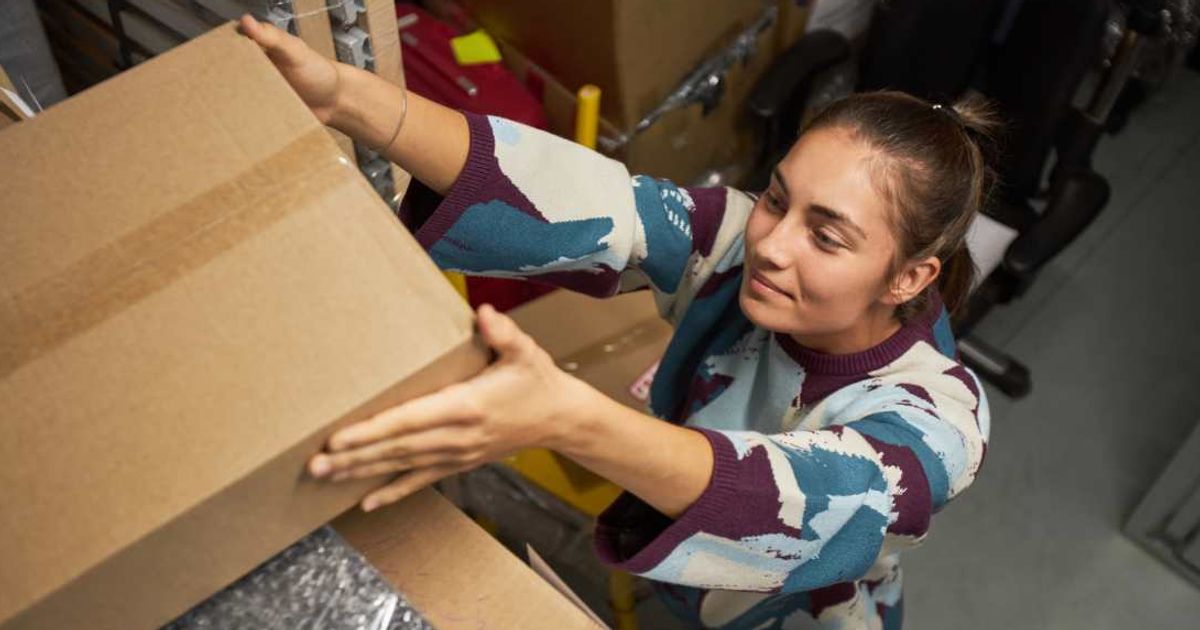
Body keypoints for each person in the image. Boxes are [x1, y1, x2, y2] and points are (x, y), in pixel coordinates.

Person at [239, 15, 993, 630]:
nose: (771, 244)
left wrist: (566, 419)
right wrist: (350, 100)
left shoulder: (942, 424)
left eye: (826, 237)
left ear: (910, 275)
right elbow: (582, 196)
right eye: (776, 198)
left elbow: (805, 498)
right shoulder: (735, 241)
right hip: (680, 566)